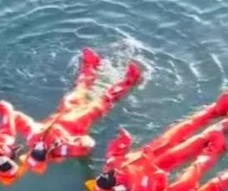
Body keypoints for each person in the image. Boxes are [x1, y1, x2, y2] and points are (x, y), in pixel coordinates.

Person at [87, 93, 228, 191]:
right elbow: (157, 185)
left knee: (185, 126)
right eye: (108, 177)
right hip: (165, 160)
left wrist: (123, 140)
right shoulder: (132, 188)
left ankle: (215, 110)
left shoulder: (112, 165)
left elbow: (116, 150)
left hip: (155, 148)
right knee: (200, 139)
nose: (108, 174)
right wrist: (151, 168)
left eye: (104, 175)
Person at [11, 48, 143, 174]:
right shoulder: (63, 150)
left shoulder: (33, 137)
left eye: (35, 152)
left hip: (65, 110)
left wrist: (8, 131)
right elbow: (88, 144)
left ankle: (91, 65)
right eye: (40, 154)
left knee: (80, 87)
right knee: (106, 99)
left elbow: (18, 119)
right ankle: (131, 80)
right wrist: (75, 142)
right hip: (80, 120)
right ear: (46, 157)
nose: (39, 148)